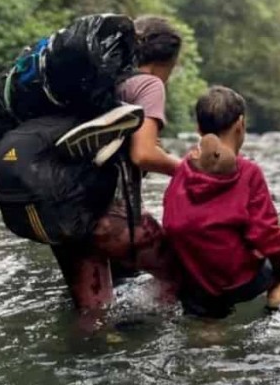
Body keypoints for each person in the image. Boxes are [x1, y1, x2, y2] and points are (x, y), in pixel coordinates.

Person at [163, 86, 280, 318]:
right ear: (241, 124)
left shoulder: (184, 168)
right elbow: (266, 234)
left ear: (199, 129)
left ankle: (210, 329)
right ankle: (274, 307)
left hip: (194, 283)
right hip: (237, 282)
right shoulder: (247, 172)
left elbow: (171, 218)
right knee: (278, 267)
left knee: (207, 327)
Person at [49, 16, 184, 312]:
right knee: (182, 275)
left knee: (93, 316)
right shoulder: (149, 84)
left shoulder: (99, 80)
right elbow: (144, 154)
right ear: (167, 62)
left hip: (63, 214)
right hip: (108, 218)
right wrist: (190, 169)